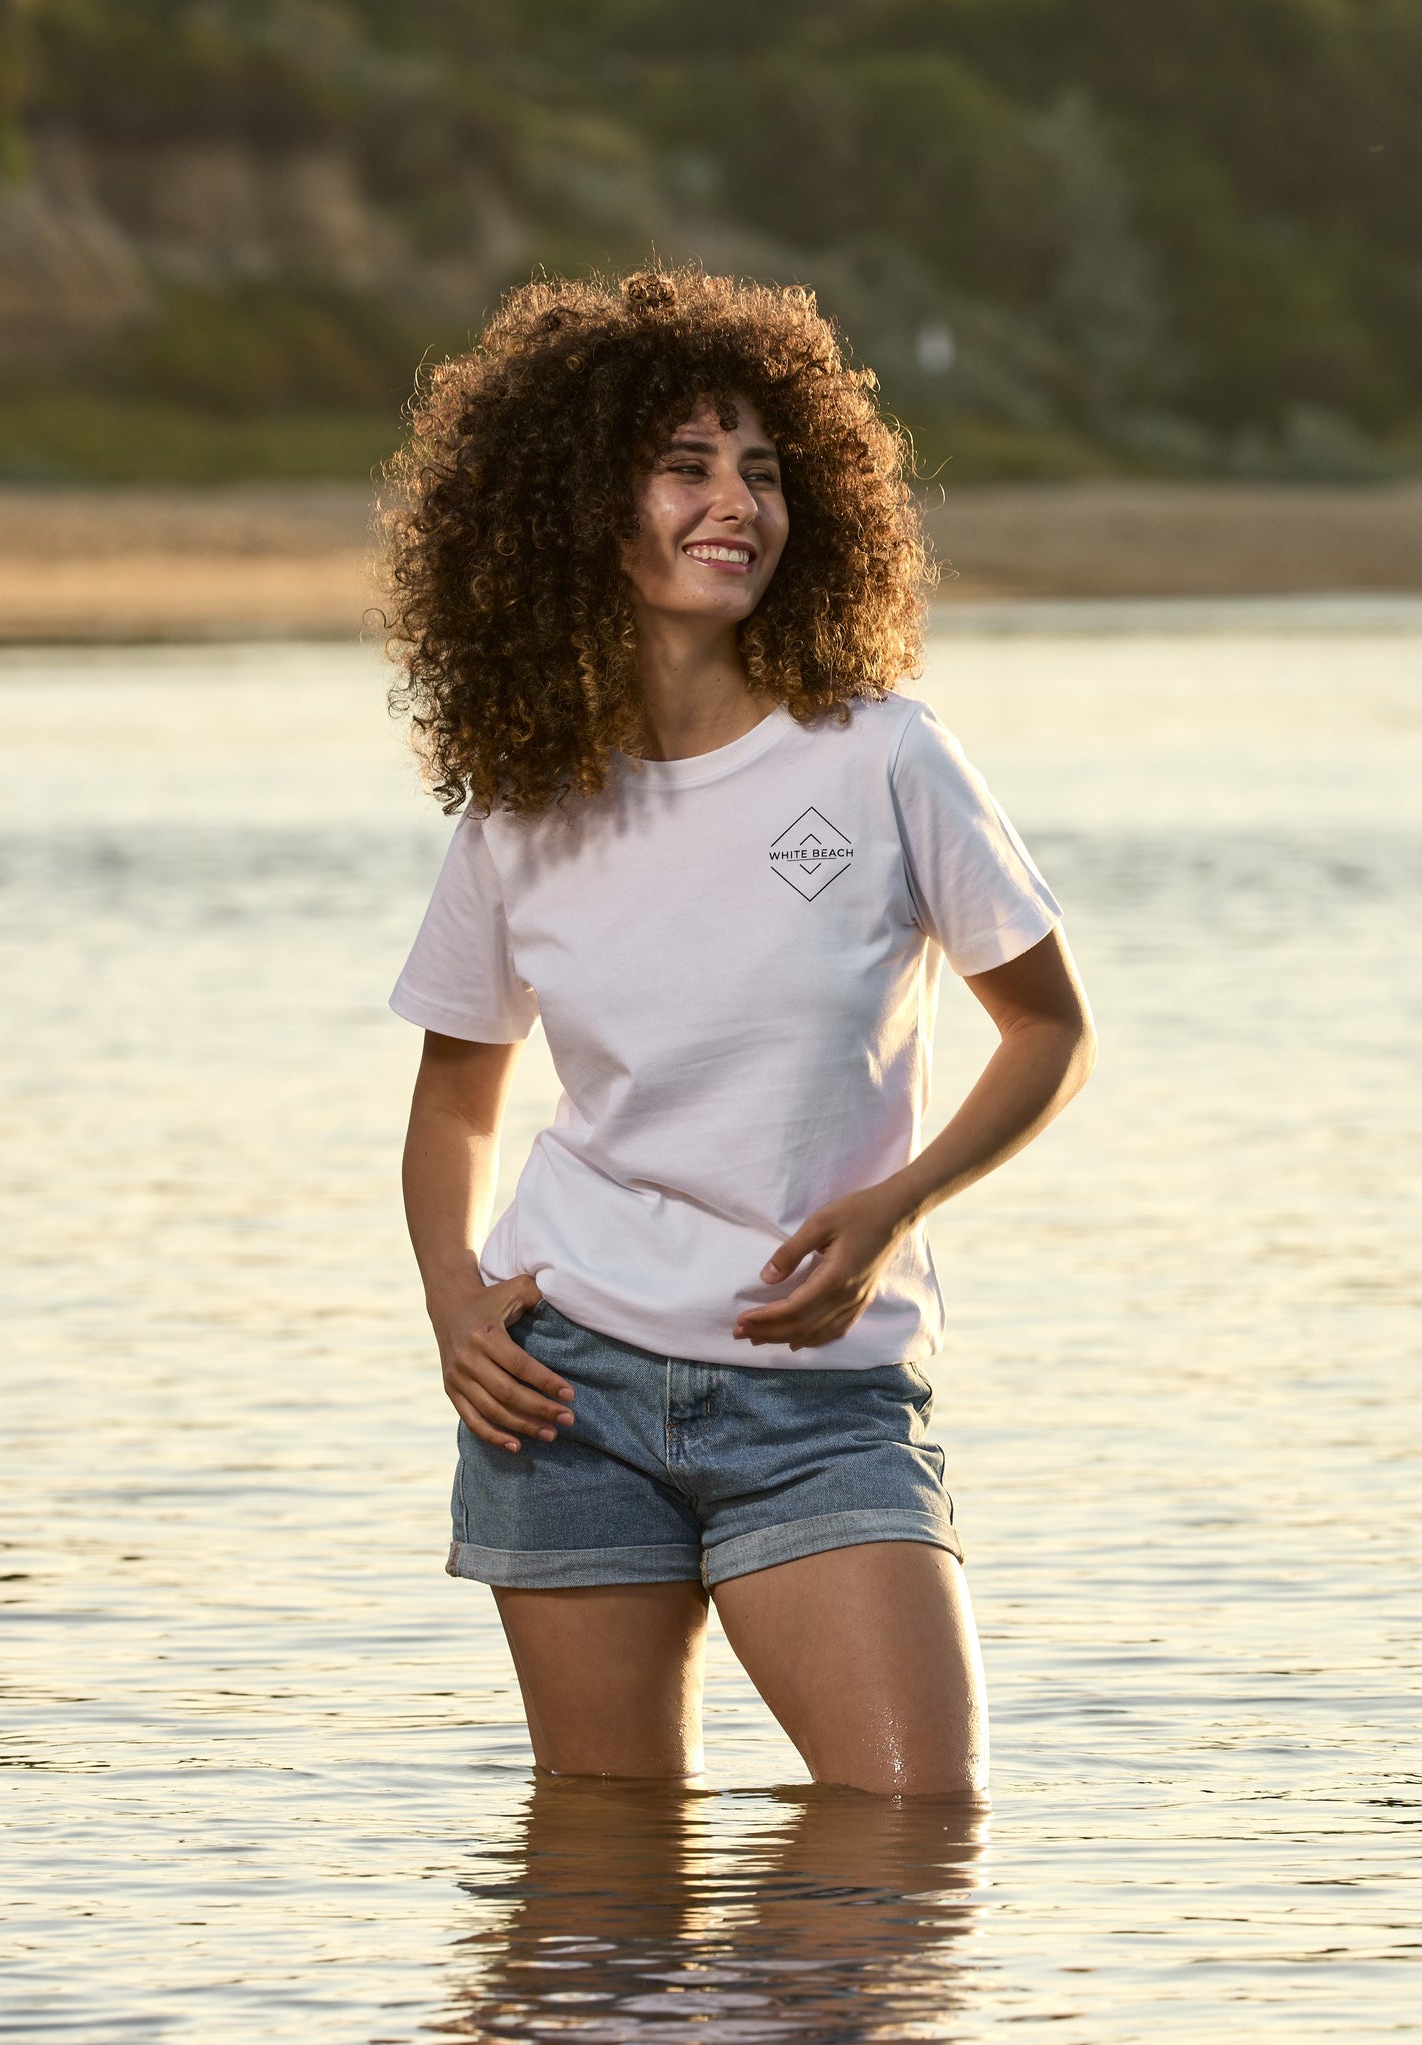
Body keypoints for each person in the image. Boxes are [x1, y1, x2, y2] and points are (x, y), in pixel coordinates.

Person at [383, 267, 1095, 1798]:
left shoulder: (885, 754)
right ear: (581, 504)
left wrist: (895, 1203)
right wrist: (453, 1302)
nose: (736, 503)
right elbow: (455, 1099)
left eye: (764, 470)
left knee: (912, 1835)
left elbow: (1045, 1030)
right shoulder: (521, 803)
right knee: (599, 1884)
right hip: (564, 1392)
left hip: (820, 1394)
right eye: (686, 465)